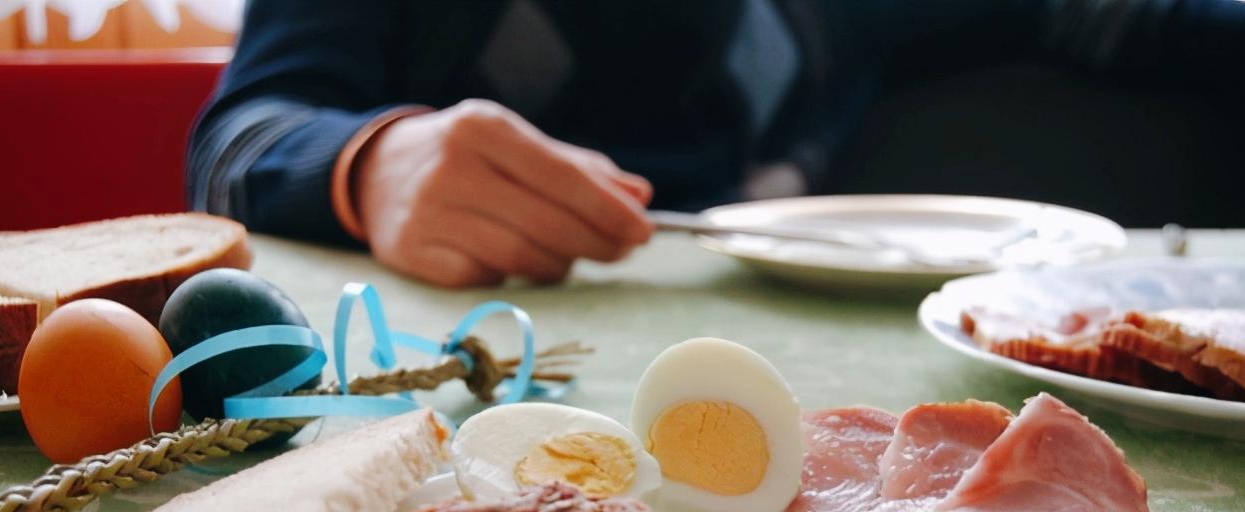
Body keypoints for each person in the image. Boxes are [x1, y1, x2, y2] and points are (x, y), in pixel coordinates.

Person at [188, 0, 1245, 288]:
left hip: (803, 345)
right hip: (477, 344)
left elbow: (1118, 15)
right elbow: (240, 139)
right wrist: (373, 164)